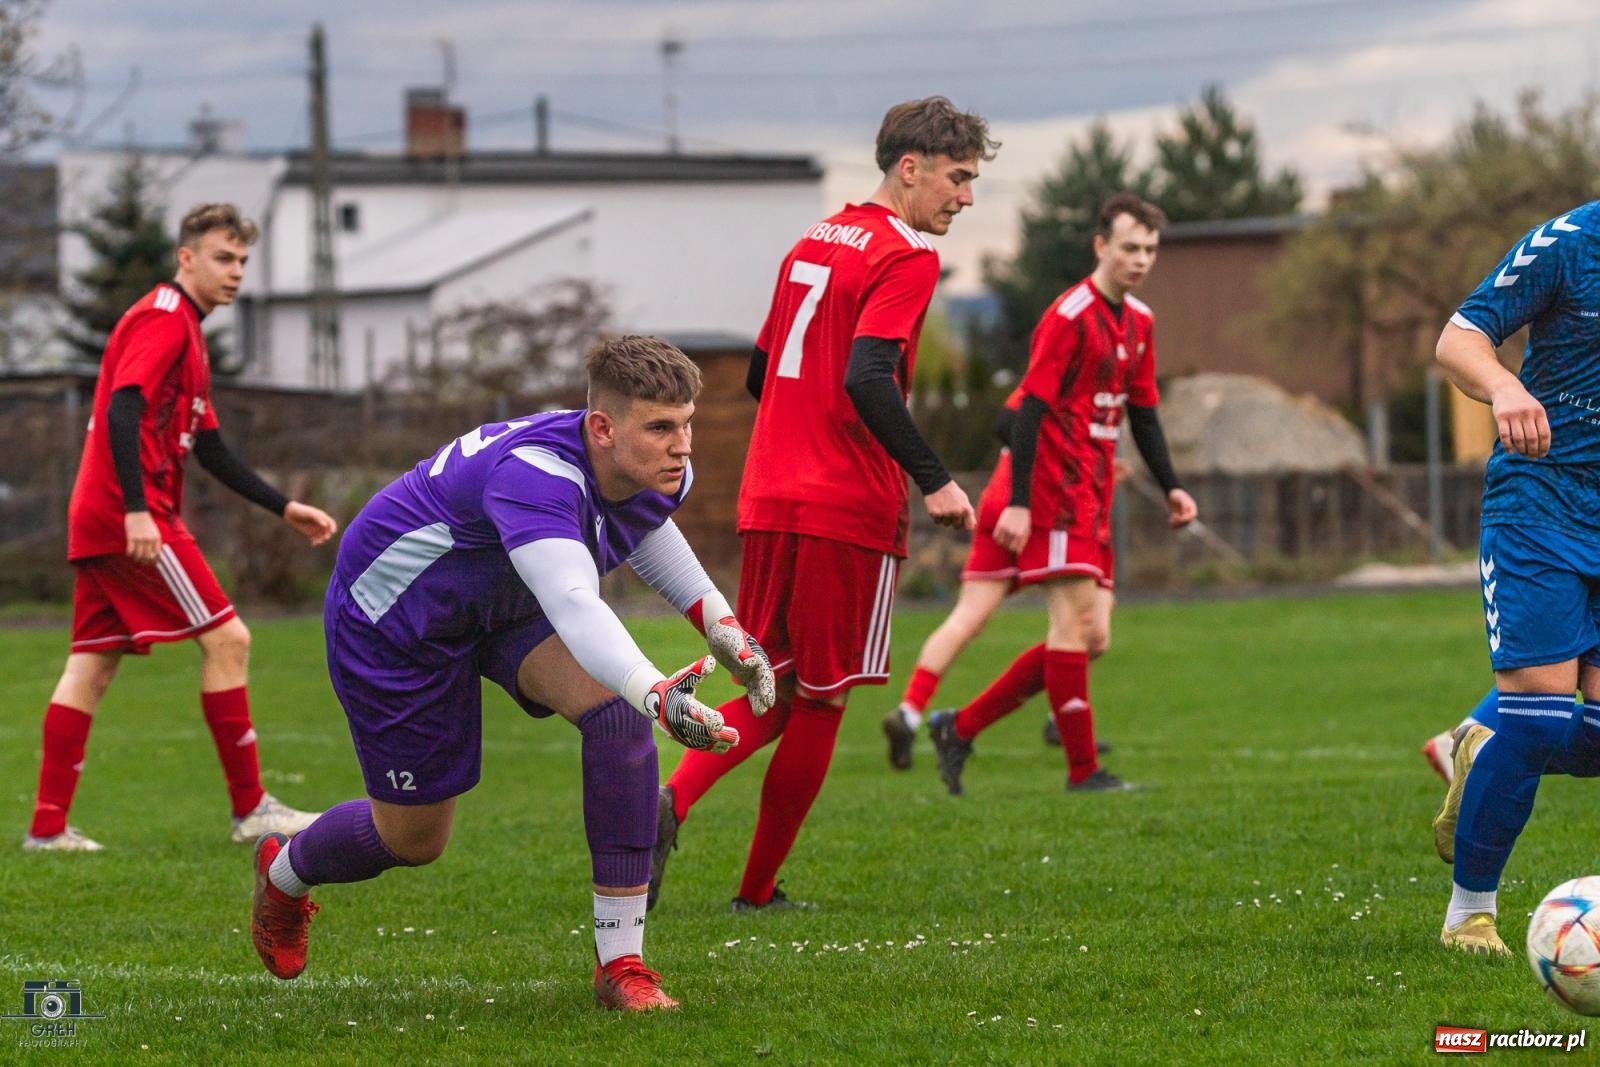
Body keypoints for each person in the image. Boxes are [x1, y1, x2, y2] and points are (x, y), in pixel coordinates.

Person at [248, 335, 775, 1012]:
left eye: (687, 424)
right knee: (413, 838)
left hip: (499, 598)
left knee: (613, 715)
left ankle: (622, 965)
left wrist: (720, 624)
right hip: (398, 618)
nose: (683, 445)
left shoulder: (647, 466)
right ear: (603, 428)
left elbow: (644, 528)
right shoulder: (536, 475)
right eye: (662, 427)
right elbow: (575, 602)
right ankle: (284, 873)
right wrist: (657, 690)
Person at [646, 96, 999, 914]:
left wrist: (799, 440)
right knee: (822, 697)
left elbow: (762, 375)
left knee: (776, 683)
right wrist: (936, 478)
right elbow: (868, 377)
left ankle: (673, 804)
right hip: (844, 505)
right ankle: (749, 881)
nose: (966, 197)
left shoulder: (814, 239)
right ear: (908, 168)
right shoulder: (905, 255)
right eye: (958, 177)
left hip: (771, 493)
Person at [23, 203, 337, 853]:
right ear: (185, 257)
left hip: (105, 513)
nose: (236, 272)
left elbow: (211, 448)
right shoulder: (166, 318)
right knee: (230, 639)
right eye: (223, 258)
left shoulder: (187, 332)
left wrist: (283, 506)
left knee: (91, 665)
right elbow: (123, 403)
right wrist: (138, 508)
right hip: (129, 516)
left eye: (243, 261)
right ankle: (251, 809)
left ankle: (47, 830)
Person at [906, 193, 1197, 796]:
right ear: (1100, 247)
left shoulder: (1140, 322)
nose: (1140, 260)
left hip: (1092, 492)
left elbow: (1142, 415)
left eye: (1149, 250)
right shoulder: (1068, 316)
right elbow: (1027, 411)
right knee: (1072, 622)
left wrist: (1172, 488)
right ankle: (1084, 771)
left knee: (1094, 637)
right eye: (1129, 248)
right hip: (1052, 489)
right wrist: (1017, 498)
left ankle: (959, 726)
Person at [1433, 200, 1600, 955]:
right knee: (1535, 720)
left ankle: (1477, 735)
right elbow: (1459, 337)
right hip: (1541, 503)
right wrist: (1502, 386)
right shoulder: (1569, 245)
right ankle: (1469, 913)